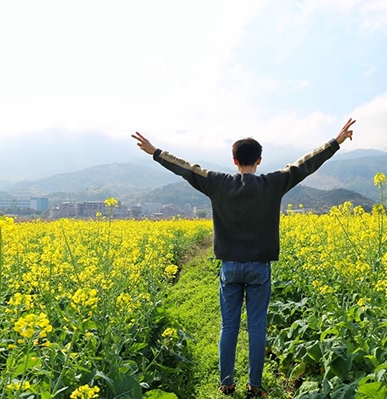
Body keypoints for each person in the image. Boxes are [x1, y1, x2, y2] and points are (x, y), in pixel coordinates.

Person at [131, 119, 355, 398]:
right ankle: (255, 386)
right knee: (257, 327)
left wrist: (155, 151)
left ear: (234, 160)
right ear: (259, 160)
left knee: (229, 326)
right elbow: (305, 165)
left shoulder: (217, 183)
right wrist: (335, 142)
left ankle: (226, 384)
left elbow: (186, 168)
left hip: (230, 267)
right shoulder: (273, 183)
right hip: (259, 267)